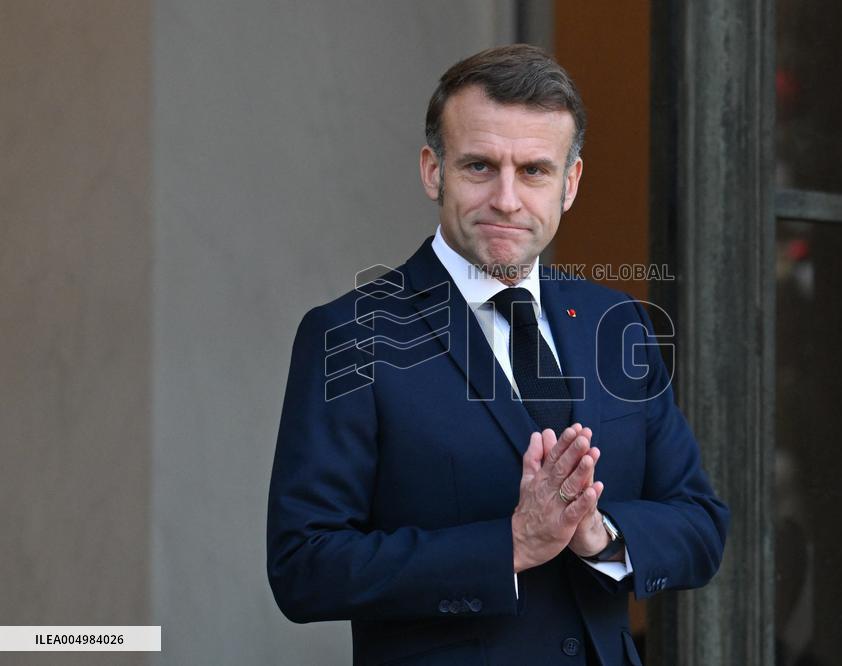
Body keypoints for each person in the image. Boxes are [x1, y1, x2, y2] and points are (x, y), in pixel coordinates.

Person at [267, 44, 728, 666]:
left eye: (535, 170)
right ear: (434, 171)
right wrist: (509, 545)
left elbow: (700, 524)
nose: (507, 199)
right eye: (481, 167)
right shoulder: (351, 334)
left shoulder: (615, 323)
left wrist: (600, 534)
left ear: (571, 183)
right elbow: (304, 566)